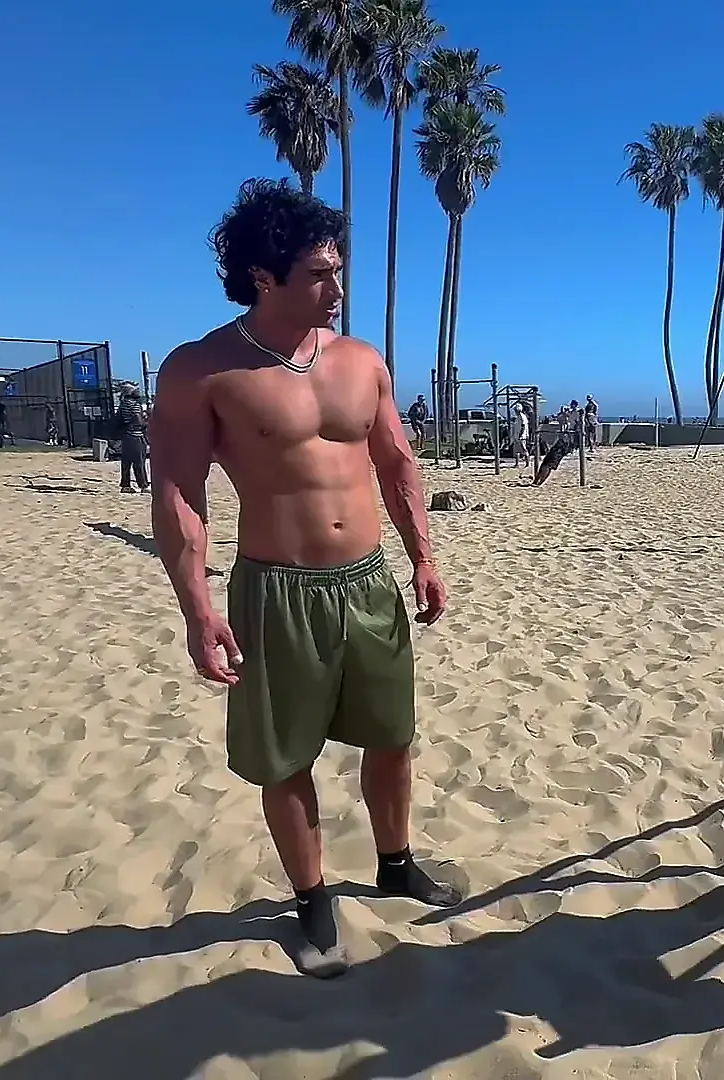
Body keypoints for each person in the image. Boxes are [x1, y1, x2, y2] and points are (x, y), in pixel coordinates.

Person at [148, 178, 459, 980]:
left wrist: (422, 556)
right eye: (319, 274)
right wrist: (197, 609)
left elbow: (396, 462)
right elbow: (179, 496)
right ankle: (313, 898)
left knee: (392, 737)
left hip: (369, 584)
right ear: (262, 276)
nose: (337, 288)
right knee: (286, 758)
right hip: (277, 590)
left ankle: (396, 863)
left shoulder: (360, 361)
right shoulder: (202, 370)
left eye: (338, 270)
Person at [114, 388, 150, 493]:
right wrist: (146, 422)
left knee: (126, 462)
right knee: (139, 462)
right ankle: (143, 485)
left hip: (126, 436)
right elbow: (138, 421)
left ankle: (125, 485)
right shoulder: (135, 405)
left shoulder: (123, 405)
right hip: (136, 435)